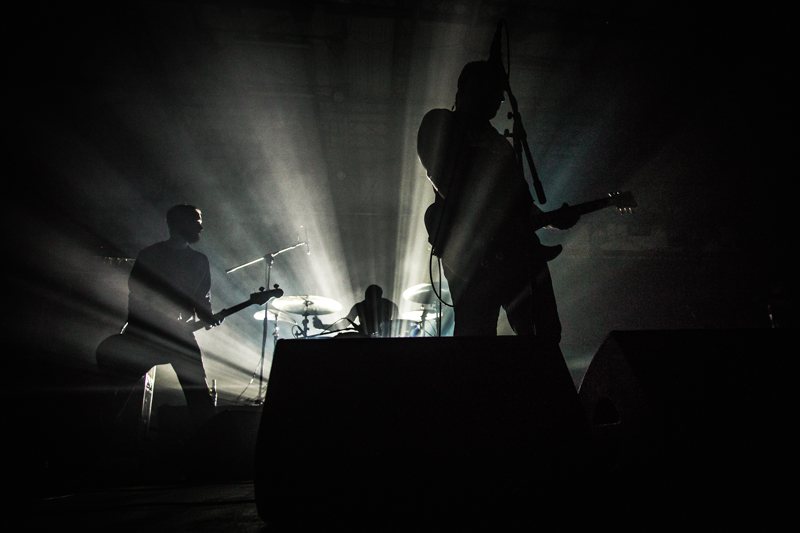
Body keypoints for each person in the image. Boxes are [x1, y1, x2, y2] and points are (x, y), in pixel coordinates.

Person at [416, 60, 579, 342]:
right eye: (494, 91)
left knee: (544, 333)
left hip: (515, 250)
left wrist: (553, 221)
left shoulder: (502, 144)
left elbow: (523, 205)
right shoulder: (441, 122)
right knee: (476, 336)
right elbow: (442, 178)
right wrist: (492, 225)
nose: (501, 99)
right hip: (475, 253)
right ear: (470, 89)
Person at [98, 204, 222, 430]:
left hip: (176, 333)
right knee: (117, 394)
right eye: (196, 221)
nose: (201, 227)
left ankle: (210, 444)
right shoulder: (150, 255)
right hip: (146, 333)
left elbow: (202, 299)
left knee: (198, 394)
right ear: (179, 224)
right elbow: (137, 292)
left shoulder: (198, 260)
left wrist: (209, 315)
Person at [313, 285, 399, 337]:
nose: (369, 303)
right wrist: (322, 326)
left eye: (372, 300)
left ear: (379, 299)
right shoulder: (359, 307)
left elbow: (397, 324)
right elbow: (344, 324)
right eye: (368, 299)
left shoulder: (389, 306)